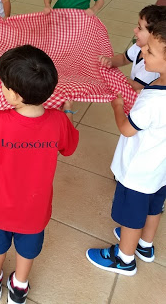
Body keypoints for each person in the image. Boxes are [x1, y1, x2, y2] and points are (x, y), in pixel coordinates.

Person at [0, 45, 79, 303]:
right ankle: (19, 287)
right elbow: (69, 148)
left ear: (16, 96)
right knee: (27, 249)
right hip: (34, 208)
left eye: (3, 85)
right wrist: (66, 116)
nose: (0, 87)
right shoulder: (58, 121)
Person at [86, 21, 166, 276]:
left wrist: (118, 108)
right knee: (154, 208)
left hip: (138, 172)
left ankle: (124, 258)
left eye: (151, 52)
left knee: (132, 216)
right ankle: (145, 245)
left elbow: (127, 129)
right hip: (159, 170)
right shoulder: (157, 88)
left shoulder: (154, 102)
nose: (143, 53)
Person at [99, 4, 166, 91]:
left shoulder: (151, 66)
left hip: (138, 97)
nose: (135, 30)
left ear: (155, 35)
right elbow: (124, 58)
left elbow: (136, 87)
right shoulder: (139, 46)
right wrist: (111, 61)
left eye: (140, 28)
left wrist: (111, 77)